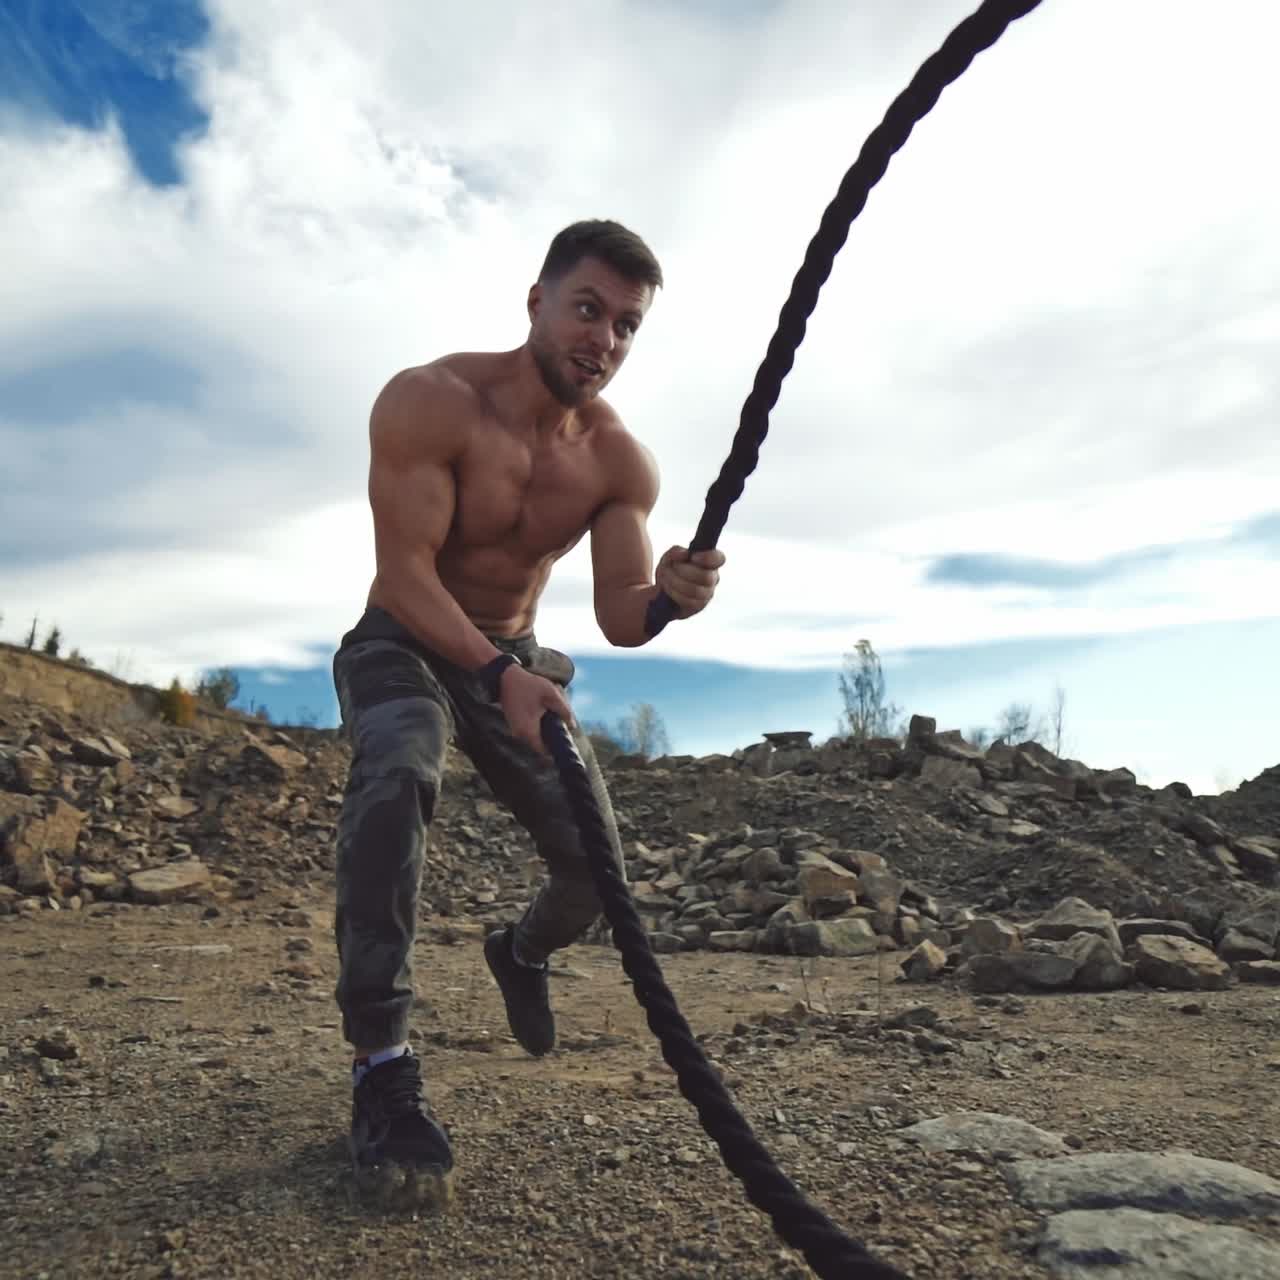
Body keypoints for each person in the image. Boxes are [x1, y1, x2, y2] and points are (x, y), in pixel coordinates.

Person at [330, 219, 727, 1210]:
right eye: (587, 308)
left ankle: (521, 950)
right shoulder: (430, 400)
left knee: (596, 867)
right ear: (537, 301)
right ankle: (381, 1062)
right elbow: (403, 573)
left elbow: (617, 613)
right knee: (400, 765)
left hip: (512, 659)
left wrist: (672, 596)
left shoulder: (617, 463)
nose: (603, 339)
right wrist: (493, 672)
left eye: (627, 325)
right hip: (404, 640)